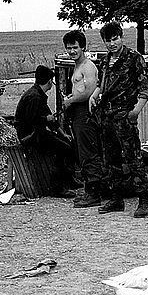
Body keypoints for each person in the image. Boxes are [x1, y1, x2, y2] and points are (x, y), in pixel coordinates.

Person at [89, 22, 148, 218]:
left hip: (125, 115)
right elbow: (102, 84)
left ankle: (144, 200)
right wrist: (94, 95)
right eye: (108, 40)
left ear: (121, 37)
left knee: (133, 157)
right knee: (111, 159)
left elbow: (145, 87)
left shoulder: (134, 58)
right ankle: (116, 199)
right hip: (107, 116)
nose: (111, 43)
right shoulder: (105, 61)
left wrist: (135, 111)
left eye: (115, 38)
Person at [14, 65, 76, 198]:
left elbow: (50, 119)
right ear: (49, 82)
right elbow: (32, 120)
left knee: (67, 142)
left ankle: (68, 180)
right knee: (63, 149)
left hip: (36, 132)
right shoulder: (34, 97)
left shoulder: (38, 94)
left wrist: (62, 133)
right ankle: (57, 187)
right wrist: (45, 118)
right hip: (30, 136)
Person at [62, 30, 103, 208]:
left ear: (83, 47)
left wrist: (70, 100)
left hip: (85, 112)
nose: (72, 51)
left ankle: (94, 194)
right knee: (83, 152)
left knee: (88, 153)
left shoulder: (87, 66)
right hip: (78, 112)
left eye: (75, 47)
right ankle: (90, 190)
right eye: (69, 48)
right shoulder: (77, 66)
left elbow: (89, 91)